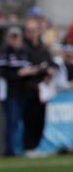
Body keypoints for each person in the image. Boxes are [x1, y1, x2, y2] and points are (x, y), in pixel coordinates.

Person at [0, 27, 36, 156]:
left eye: (17, 36)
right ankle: (10, 150)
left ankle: (18, 148)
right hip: (9, 94)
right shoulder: (3, 53)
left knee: (19, 122)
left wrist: (30, 73)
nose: (15, 39)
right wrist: (19, 74)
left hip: (22, 93)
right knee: (11, 122)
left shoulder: (24, 52)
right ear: (8, 38)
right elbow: (2, 72)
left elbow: (30, 71)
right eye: (12, 37)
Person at [22, 18, 57, 152]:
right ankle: (28, 147)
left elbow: (52, 64)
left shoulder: (43, 48)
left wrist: (50, 71)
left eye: (34, 30)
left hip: (42, 92)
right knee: (29, 121)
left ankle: (35, 146)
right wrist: (42, 69)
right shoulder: (23, 48)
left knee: (40, 121)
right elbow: (25, 68)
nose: (32, 33)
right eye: (29, 30)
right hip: (29, 91)